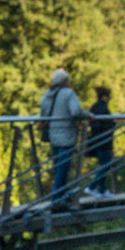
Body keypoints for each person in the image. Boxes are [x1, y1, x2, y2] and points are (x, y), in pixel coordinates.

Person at [38, 66, 86, 207]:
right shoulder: (68, 93)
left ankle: (64, 197)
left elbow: (43, 114)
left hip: (53, 135)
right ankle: (55, 199)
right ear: (65, 81)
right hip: (66, 135)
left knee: (59, 166)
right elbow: (75, 111)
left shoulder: (47, 95)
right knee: (63, 168)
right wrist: (87, 114)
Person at [85, 85, 116, 196]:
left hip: (96, 140)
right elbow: (106, 125)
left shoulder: (94, 107)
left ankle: (102, 189)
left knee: (104, 164)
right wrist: (114, 122)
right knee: (105, 165)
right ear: (104, 97)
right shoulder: (103, 108)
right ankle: (92, 187)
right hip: (104, 142)